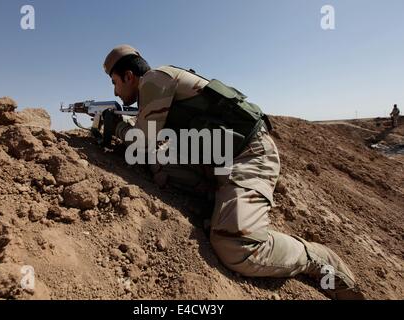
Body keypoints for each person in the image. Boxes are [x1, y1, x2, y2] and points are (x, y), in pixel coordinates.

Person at [102, 44, 365, 299]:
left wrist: (116, 126)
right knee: (157, 163)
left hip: (249, 155)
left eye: (115, 82)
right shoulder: (156, 83)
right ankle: (218, 200)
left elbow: (143, 140)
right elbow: (150, 140)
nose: (115, 91)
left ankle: (315, 258)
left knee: (236, 247)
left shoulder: (153, 79)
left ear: (129, 76)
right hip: (219, 159)